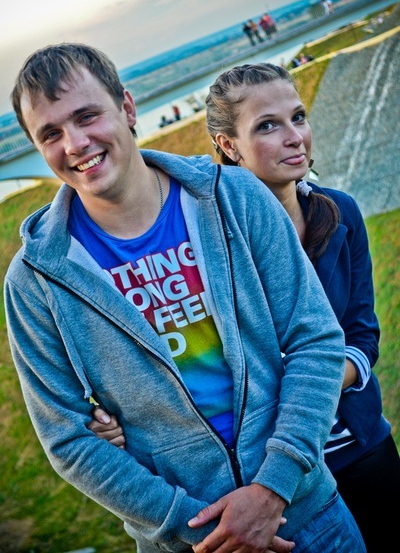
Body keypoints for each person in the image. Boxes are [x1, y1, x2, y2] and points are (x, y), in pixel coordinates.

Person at [5, 43, 366, 553]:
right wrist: (207, 528)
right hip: (190, 543)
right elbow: (68, 439)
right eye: (50, 134)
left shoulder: (235, 197)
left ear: (127, 108)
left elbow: (316, 339)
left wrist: (272, 488)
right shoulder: (35, 280)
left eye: (87, 116)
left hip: (309, 516)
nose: (76, 143)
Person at [202, 63, 399, 552]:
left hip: (361, 447)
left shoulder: (341, 212)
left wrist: (315, 386)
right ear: (229, 145)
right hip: (279, 479)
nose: (295, 137)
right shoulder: (211, 247)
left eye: (298, 117)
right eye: (268, 125)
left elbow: (362, 337)